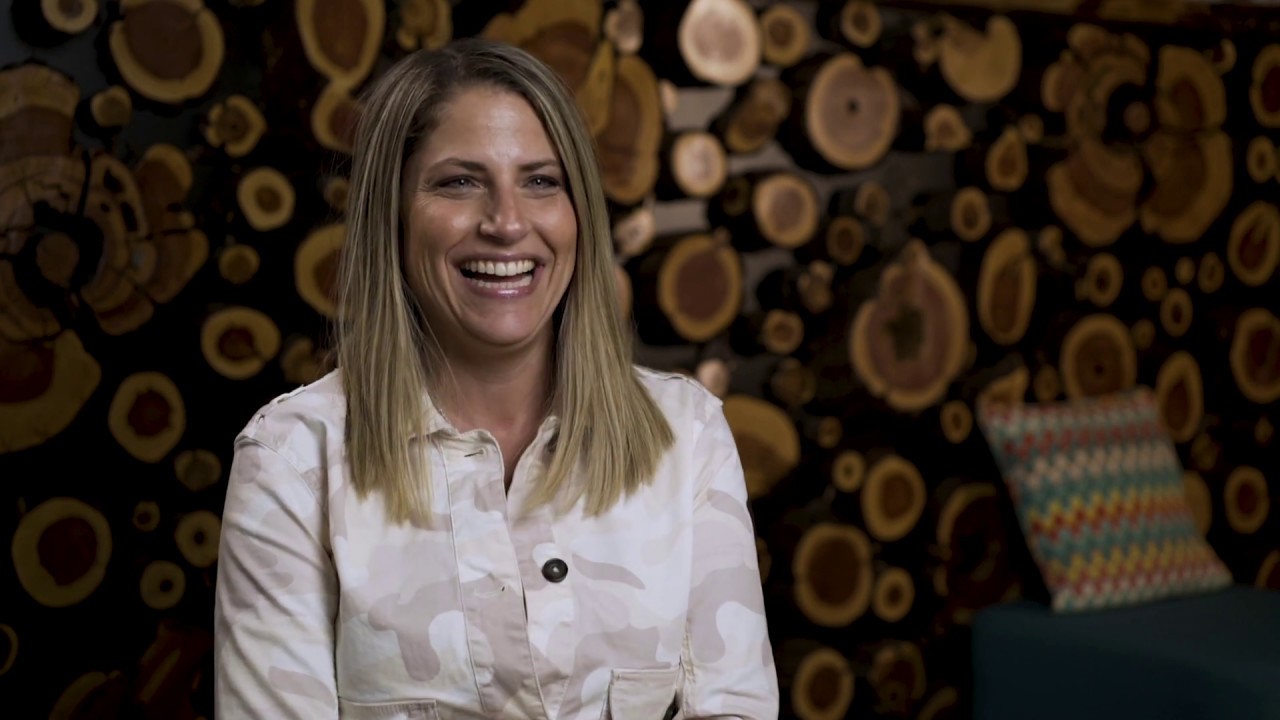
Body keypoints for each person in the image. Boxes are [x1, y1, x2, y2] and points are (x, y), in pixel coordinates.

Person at [213, 38, 778, 720]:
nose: (507, 223)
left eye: (541, 182)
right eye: (459, 182)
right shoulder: (293, 461)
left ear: (579, 212)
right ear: (392, 214)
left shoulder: (685, 437)